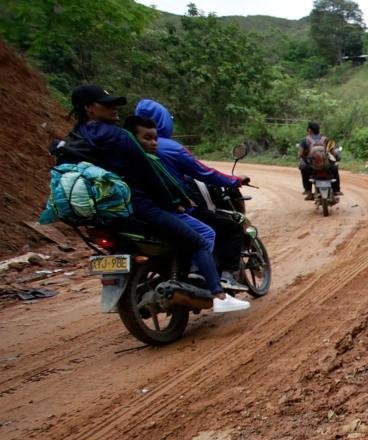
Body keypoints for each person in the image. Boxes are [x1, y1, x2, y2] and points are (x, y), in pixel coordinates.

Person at [61, 85, 249, 313]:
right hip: (143, 206)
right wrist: (173, 202)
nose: (113, 108)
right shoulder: (120, 136)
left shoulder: (75, 139)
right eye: (107, 104)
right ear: (89, 108)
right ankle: (218, 295)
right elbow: (152, 174)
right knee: (202, 237)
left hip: (107, 213)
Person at [132, 99, 248, 291]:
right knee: (228, 228)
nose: (153, 142)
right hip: (171, 207)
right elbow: (205, 172)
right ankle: (219, 276)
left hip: (139, 211)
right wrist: (235, 180)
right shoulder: (171, 148)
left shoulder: (129, 146)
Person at [298, 121, 341, 199]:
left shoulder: (304, 140)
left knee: (303, 168)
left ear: (309, 130)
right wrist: (337, 158)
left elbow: (300, 154)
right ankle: (336, 190)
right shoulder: (326, 139)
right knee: (335, 168)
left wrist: (304, 160)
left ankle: (308, 191)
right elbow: (333, 153)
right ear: (319, 130)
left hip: (312, 167)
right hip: (325, 165)